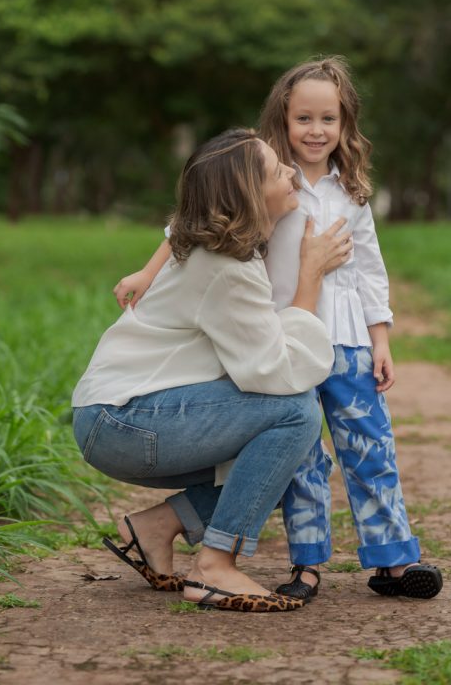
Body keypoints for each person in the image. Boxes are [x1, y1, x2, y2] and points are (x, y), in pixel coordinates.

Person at [116, 58, 443, 602]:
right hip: (286, 339)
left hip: (349, 343)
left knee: (370, 447)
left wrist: (381, 337)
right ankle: (307, 563)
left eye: (328, 120)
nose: (316, 131)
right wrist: (148, 274)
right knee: (304, 457)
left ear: (346, 124)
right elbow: (192, 220)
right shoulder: (266, 179)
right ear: (283, 120)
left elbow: (369, 270)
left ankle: (392, 558)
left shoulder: (353, 192)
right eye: (303, 119)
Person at [73, 128, 353, 612]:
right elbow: (278, 373)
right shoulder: (225, 266)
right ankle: (215, 566)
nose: (289, 171)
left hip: (118, 417)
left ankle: (156, 527)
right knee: (295, 417)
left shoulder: (217, 247)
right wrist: (309, 276)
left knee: (278, 449)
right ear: (247, 194)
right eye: (274, 171)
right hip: (123, 420)